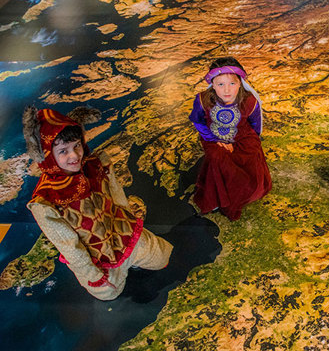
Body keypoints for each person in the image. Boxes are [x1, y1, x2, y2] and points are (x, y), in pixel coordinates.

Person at [23, 106, 173, 300]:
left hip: (122, 232)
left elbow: (117, 196)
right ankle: (108, 276)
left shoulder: (96, 164)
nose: (75, 156)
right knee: (109, 293)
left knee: (163, 258)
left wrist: (129, 223)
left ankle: (134, 255)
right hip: (97, 255)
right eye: (63, 151)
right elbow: (69, 246)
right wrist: (93, 276)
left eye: (77, 145)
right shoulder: (46, 201)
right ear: (46, 155)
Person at [189, 56, 272, 221]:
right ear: (213, 84)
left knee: (249, 158)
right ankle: (218, 197)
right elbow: (198, 121)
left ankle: (245, 191)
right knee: (217, 157)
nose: (227, 90)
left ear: (240, 83)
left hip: (242, 137)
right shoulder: (202, 100)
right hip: (213, 137)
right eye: (220, 84)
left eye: (232, 83)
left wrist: (247, 143)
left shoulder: (249, 101)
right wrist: (214, 139)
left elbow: (255, 126)